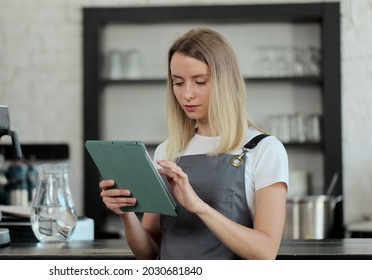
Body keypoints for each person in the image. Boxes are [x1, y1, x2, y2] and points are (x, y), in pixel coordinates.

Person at [99, 28, 288, 260]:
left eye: (200, 82)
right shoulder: (168, 151)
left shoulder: (264, 149)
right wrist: (125, 213)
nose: (187, 94)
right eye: (178, 83)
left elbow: (265, 252)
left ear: (226, 82)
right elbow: (149, 252)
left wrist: (199, 206)